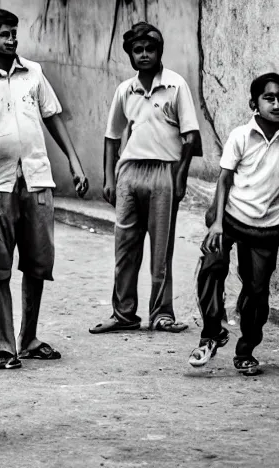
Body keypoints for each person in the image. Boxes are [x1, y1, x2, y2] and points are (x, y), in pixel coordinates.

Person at [0, 8, 88, 370]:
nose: (12, 40)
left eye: (15, 33)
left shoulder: (34, 73)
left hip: (37, 179)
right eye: (5, 34)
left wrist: (75, 166)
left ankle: (29, 339)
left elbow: (52, 117)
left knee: (37, 263)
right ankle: (5, 346)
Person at [189, 72, 279, 374]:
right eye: (269, 98)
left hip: (265, 228)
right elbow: (224, 180)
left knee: (257, 292)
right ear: (254, 103)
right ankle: (211, 334)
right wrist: (217, 224)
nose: (277, 104)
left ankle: (246, 351)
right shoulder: (240, 136)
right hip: (229, 218)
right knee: (212, 269)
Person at [89, 21, 202, 334]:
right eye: (137, 50)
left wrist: (179, 179)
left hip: (163, 171)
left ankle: (162, 313)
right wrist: (110, 178)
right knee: (124, 246)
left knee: (161, 249)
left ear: (159, 51)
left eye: (149, 49)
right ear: (130, 55)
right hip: (130, 172)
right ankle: (123, 313)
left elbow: (190, 137)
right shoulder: (126, 90)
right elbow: (112, 136)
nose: (144, 55)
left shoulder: (176, 85)